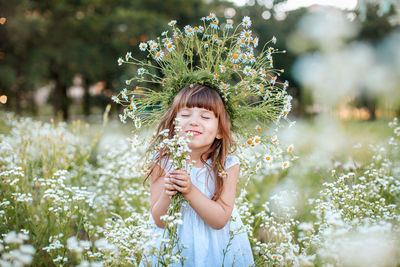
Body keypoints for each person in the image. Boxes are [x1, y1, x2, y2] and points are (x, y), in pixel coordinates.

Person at [142, 84, 254, 266]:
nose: (193, 121)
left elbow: (219, 220)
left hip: (216, 249)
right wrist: (167, 193)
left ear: (219, 130)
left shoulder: (227, 166)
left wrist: (189, 191)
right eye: (185, 115)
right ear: (173, 124)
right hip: (173, 250)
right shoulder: (162, 162)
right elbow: (159, 221)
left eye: (205, 116)